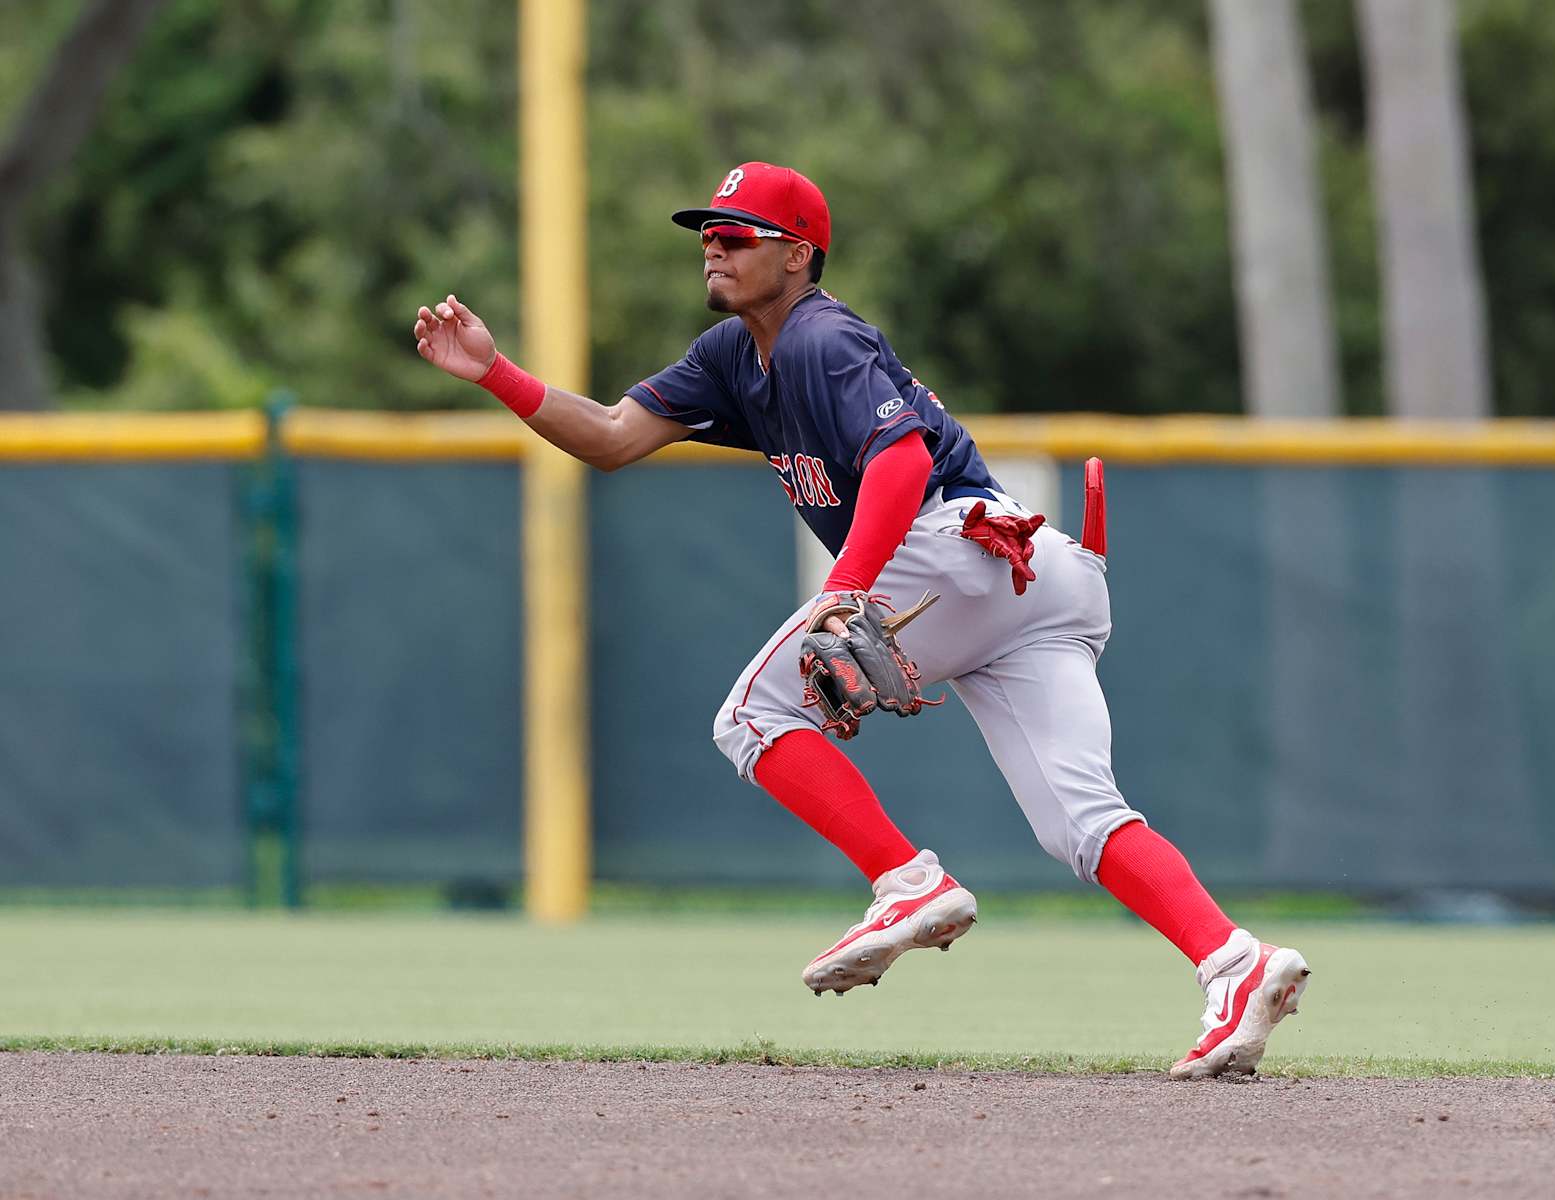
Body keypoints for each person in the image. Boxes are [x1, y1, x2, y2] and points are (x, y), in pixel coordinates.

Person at [413, 162, 1310, 1078]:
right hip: (1035, 576)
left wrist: (847, 588)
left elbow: (900, 463)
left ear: (799, 253)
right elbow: (609, 436)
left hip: (958, 545)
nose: (715, 247)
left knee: (752, 716)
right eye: (708, 234)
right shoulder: (729, 356)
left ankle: (907, 881)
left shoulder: (819, 336)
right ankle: (1235, 965)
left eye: (739, 234)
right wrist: (494, 372)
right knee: (1080, 819)